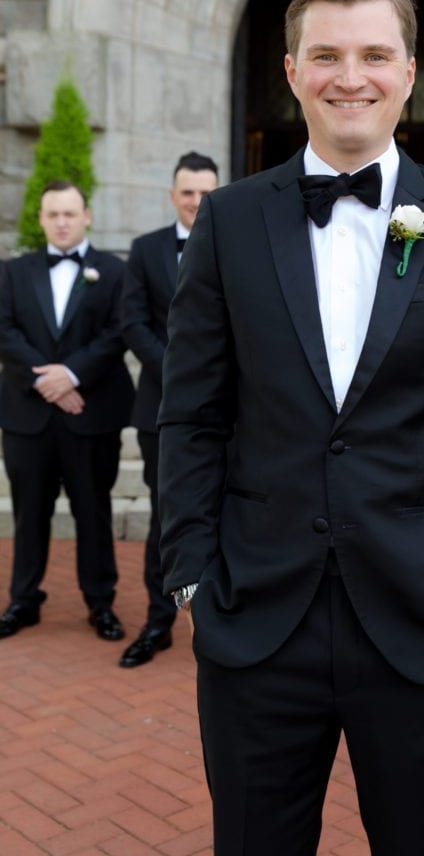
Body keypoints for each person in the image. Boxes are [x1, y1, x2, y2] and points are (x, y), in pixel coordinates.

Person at [158, 0, 424, 856]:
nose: (350, 76)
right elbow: (190, 417)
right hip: (255, 621)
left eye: (375, 53)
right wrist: (189, 581)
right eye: (325, 55)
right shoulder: (225, 223)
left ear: (408, 73)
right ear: (292, 72)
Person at [0, 180, 133, 640]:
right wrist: (49, 382)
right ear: (40, 219)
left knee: (93, 511)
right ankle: (23, 600)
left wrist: (72, 375)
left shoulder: (114, 272)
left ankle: (101, 604)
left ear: (87, 216)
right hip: (27, 417)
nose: (61, 222)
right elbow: (5, 332)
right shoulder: (13, 272)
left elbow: (120, 333)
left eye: (70, 214)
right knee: (28, 512)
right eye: (53, 214)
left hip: (91, 414)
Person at [118, 151, 219, 668]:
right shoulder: (145, 249)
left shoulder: (242, 242)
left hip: (232, 412)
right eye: (187, 192)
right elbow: (132, 322)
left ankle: (226, 615)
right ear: (172, 195)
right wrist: (181, 375)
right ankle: (160, 619)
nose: (197, 202)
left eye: (206, 192)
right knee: (167, 517)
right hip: (162, 410)